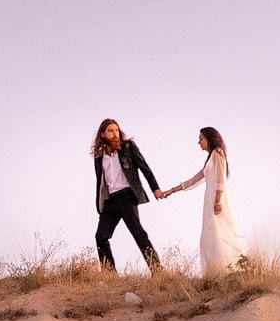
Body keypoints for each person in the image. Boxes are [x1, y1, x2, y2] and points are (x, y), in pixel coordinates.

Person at [156, 126, 245, 276]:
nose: (199, 142)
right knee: (210, 235)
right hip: (210, 199)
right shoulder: (211, 157)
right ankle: (216, 272)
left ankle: (229, 270)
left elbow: (220, 180)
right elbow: (193, 180)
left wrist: (217, 202)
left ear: (209, 139)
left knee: (220, 232)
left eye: (201, 139)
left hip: (217, 199)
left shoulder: (218, 153)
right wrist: (171, 191)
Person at [89, 118, 162, 272]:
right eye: (110, 130)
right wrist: (100, 203)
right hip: (110, 200)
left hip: (127, 196)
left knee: (138, 233)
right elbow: (99, 182)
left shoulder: (128, 147)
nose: (114, 133)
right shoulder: (99, 156)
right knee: (101, 237)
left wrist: (155, 188)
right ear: (103, 134)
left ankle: (157, 270)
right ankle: (110, 274)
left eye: (116, 130)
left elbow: (144, 167)